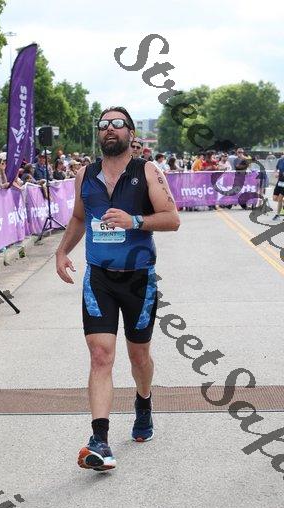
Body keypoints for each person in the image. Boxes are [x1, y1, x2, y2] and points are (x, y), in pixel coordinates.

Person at [55, 106, 180, 471]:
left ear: (130, 133)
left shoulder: (148, 171)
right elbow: (79, 217)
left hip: (138, 279)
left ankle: (144, 401)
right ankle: (100, 440)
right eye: (104, 125)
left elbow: (172, 219)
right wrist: (62, 251)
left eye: (117, 124)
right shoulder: (85, 174)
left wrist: (134, 220)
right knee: (100, 356)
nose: (109, 129)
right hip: (99, 279)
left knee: (139, 357)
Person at [272, 153, 284, 220]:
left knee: (280, 198)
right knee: (274, 198)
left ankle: (277, 215)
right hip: (280, 182)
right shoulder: (280, 160)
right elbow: (276, 168)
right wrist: (276, 173)